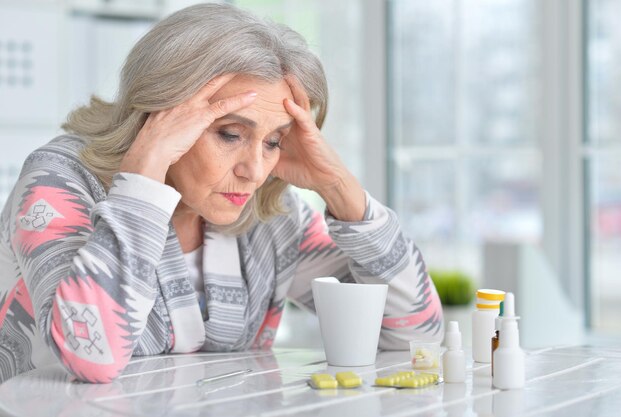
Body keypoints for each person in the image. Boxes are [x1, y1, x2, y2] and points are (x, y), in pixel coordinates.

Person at [0, 3, 443, 384]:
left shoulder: (274, 216)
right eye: (230, 134)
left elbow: (414, 338)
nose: (254, 171)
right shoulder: (60, 183)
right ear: (161, 116)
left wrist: (340, 189)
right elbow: (90, 356)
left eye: (274, 141)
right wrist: (144, 176)